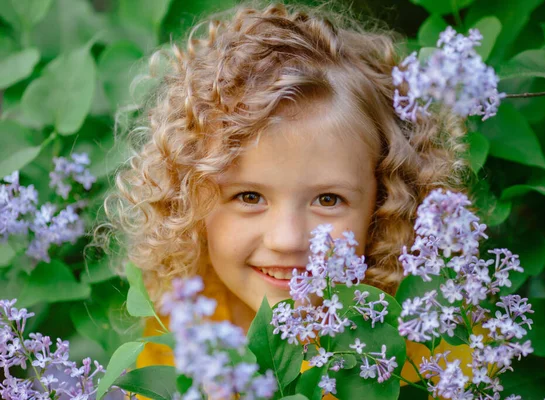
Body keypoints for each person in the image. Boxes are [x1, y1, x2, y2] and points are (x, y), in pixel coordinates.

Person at [104, 0, 470, 393]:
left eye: (328, 200)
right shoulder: (185, 322)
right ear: (189, 198)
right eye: (248, 196)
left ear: (382, 205)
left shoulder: (429, 340)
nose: (287, 240)